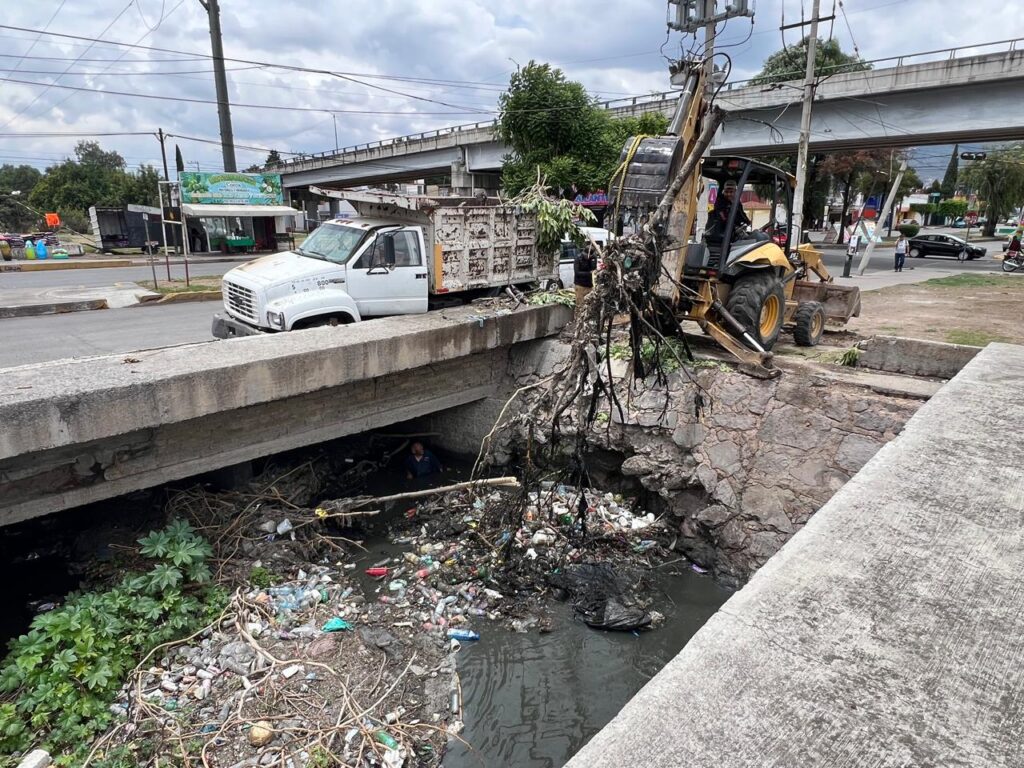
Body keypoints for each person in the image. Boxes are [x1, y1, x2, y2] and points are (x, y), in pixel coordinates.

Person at [573, 242, 597, 312]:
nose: (587, 258)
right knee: (580, 306)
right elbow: (577, 272)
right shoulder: (578, 258)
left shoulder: (592, 258)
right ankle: (578, 320)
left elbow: (594, 268)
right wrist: (588, 273)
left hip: (589, 285)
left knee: (590, 305)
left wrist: (593, 260)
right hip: (580, 285)